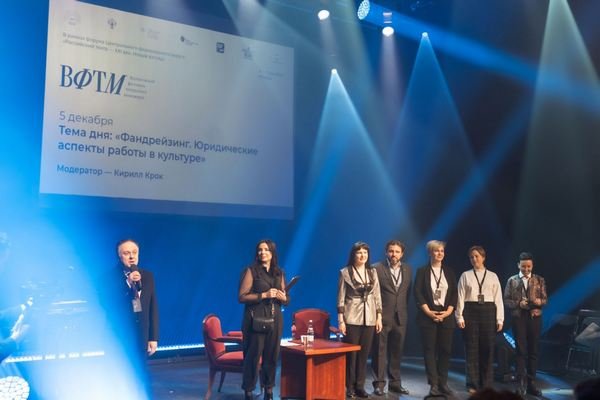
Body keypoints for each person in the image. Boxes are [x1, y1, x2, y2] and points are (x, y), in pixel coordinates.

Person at [239, 240, 288, 400]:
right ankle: (248, 392)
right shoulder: (251, 271)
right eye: (260, 250)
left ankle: (269, 392)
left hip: (275, 319)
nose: (262, 252)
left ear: (272, 253)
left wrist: (284, 298)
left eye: (266, 250)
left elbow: (286, 299)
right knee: (252, 357)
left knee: (271, 357)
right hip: (255, 320)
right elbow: (242, 296)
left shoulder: (279, 272)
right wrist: (264, 295)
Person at [455, 246, 504, 394]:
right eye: (471, 257)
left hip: (488, 312)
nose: (474, 259)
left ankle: (486, 383)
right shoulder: (465, 275)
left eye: (476, 256)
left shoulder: (493, 276)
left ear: (483, 257)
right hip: (470, 311)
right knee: (471, 349)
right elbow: (460, 297)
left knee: (487, 349)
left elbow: (498, 299)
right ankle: (472, 383)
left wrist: (500, 319)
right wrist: (459, 316)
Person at [337, 241, 383, 399]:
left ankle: (360, 386)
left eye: (365, 252)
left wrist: (379, 317)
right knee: (352, 355)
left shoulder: (372, 272)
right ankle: (349, 387)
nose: (363, 255)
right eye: (359, 252)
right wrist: (341, 320)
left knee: (364, 355)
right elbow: (341, 298)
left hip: (370, 318)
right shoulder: (345, 272)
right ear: (353, 254)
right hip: (351, 318)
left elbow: (377, 296)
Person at [414, 240, 457, 396]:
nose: (440, 253)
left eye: (442, 251)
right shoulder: (422, 271)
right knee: (430, 350)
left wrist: (447, 312)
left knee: (445, 350)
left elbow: (454, 294)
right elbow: (417, 293)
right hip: (428, 315)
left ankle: (443, 382)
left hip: (446, 315)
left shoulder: (450, 271)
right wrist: (429, 312)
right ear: (430, 253)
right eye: (436, 250)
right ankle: (433, 384)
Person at [370, 240, 411, 396]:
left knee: (397, 351)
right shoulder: (376, 268)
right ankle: (379, 384)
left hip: (400, 317)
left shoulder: (408, 269)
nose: (394, 254)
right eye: (391, 251)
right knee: (379, 351)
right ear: (386, 252)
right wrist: (377, 314)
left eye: (397, 251)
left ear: (402, 254)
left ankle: (395, 384)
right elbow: (373, 294)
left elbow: (407, 293)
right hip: (382, 317)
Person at [503, 252, 546, 397]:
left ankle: (531, 383)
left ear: (532, 265)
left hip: (534, 317)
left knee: (533, 350)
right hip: (519, 318)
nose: (526, 269)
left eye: (528, 266)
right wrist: (518, 304)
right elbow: (506, 300)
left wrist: (537, 303)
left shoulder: (539, 279)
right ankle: (520, 383)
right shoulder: (512, 280)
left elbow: (544, 299)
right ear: (518, 265)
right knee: (520, 351)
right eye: (523, 266)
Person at [115, 239, 159, 358]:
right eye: (126, 253)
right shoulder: (108, 278)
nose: (131, 257)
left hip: (141, 337)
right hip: (118, 338)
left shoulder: (147, 276)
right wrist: (128, 284)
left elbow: (153, 307)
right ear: (119, 256)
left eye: (134, 252)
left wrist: (153, 337)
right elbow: (111, 305)